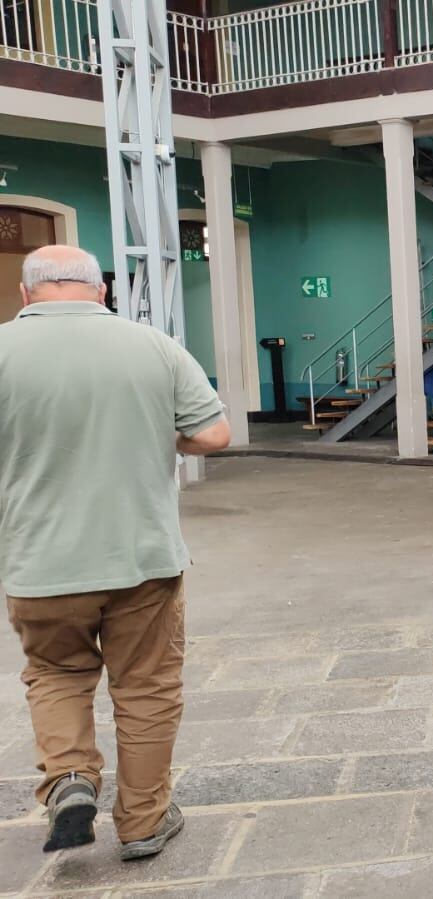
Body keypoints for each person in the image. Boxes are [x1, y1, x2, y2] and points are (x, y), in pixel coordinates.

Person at [0, 245, 232, 860]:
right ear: (100, 290)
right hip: (142, 560)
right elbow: (213, 433)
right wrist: (157, 431)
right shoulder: (150, 345)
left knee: (55, 674)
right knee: (147, 687)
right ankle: (143, 821)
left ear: (26, 296)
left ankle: (70, 779)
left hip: (38, 563)